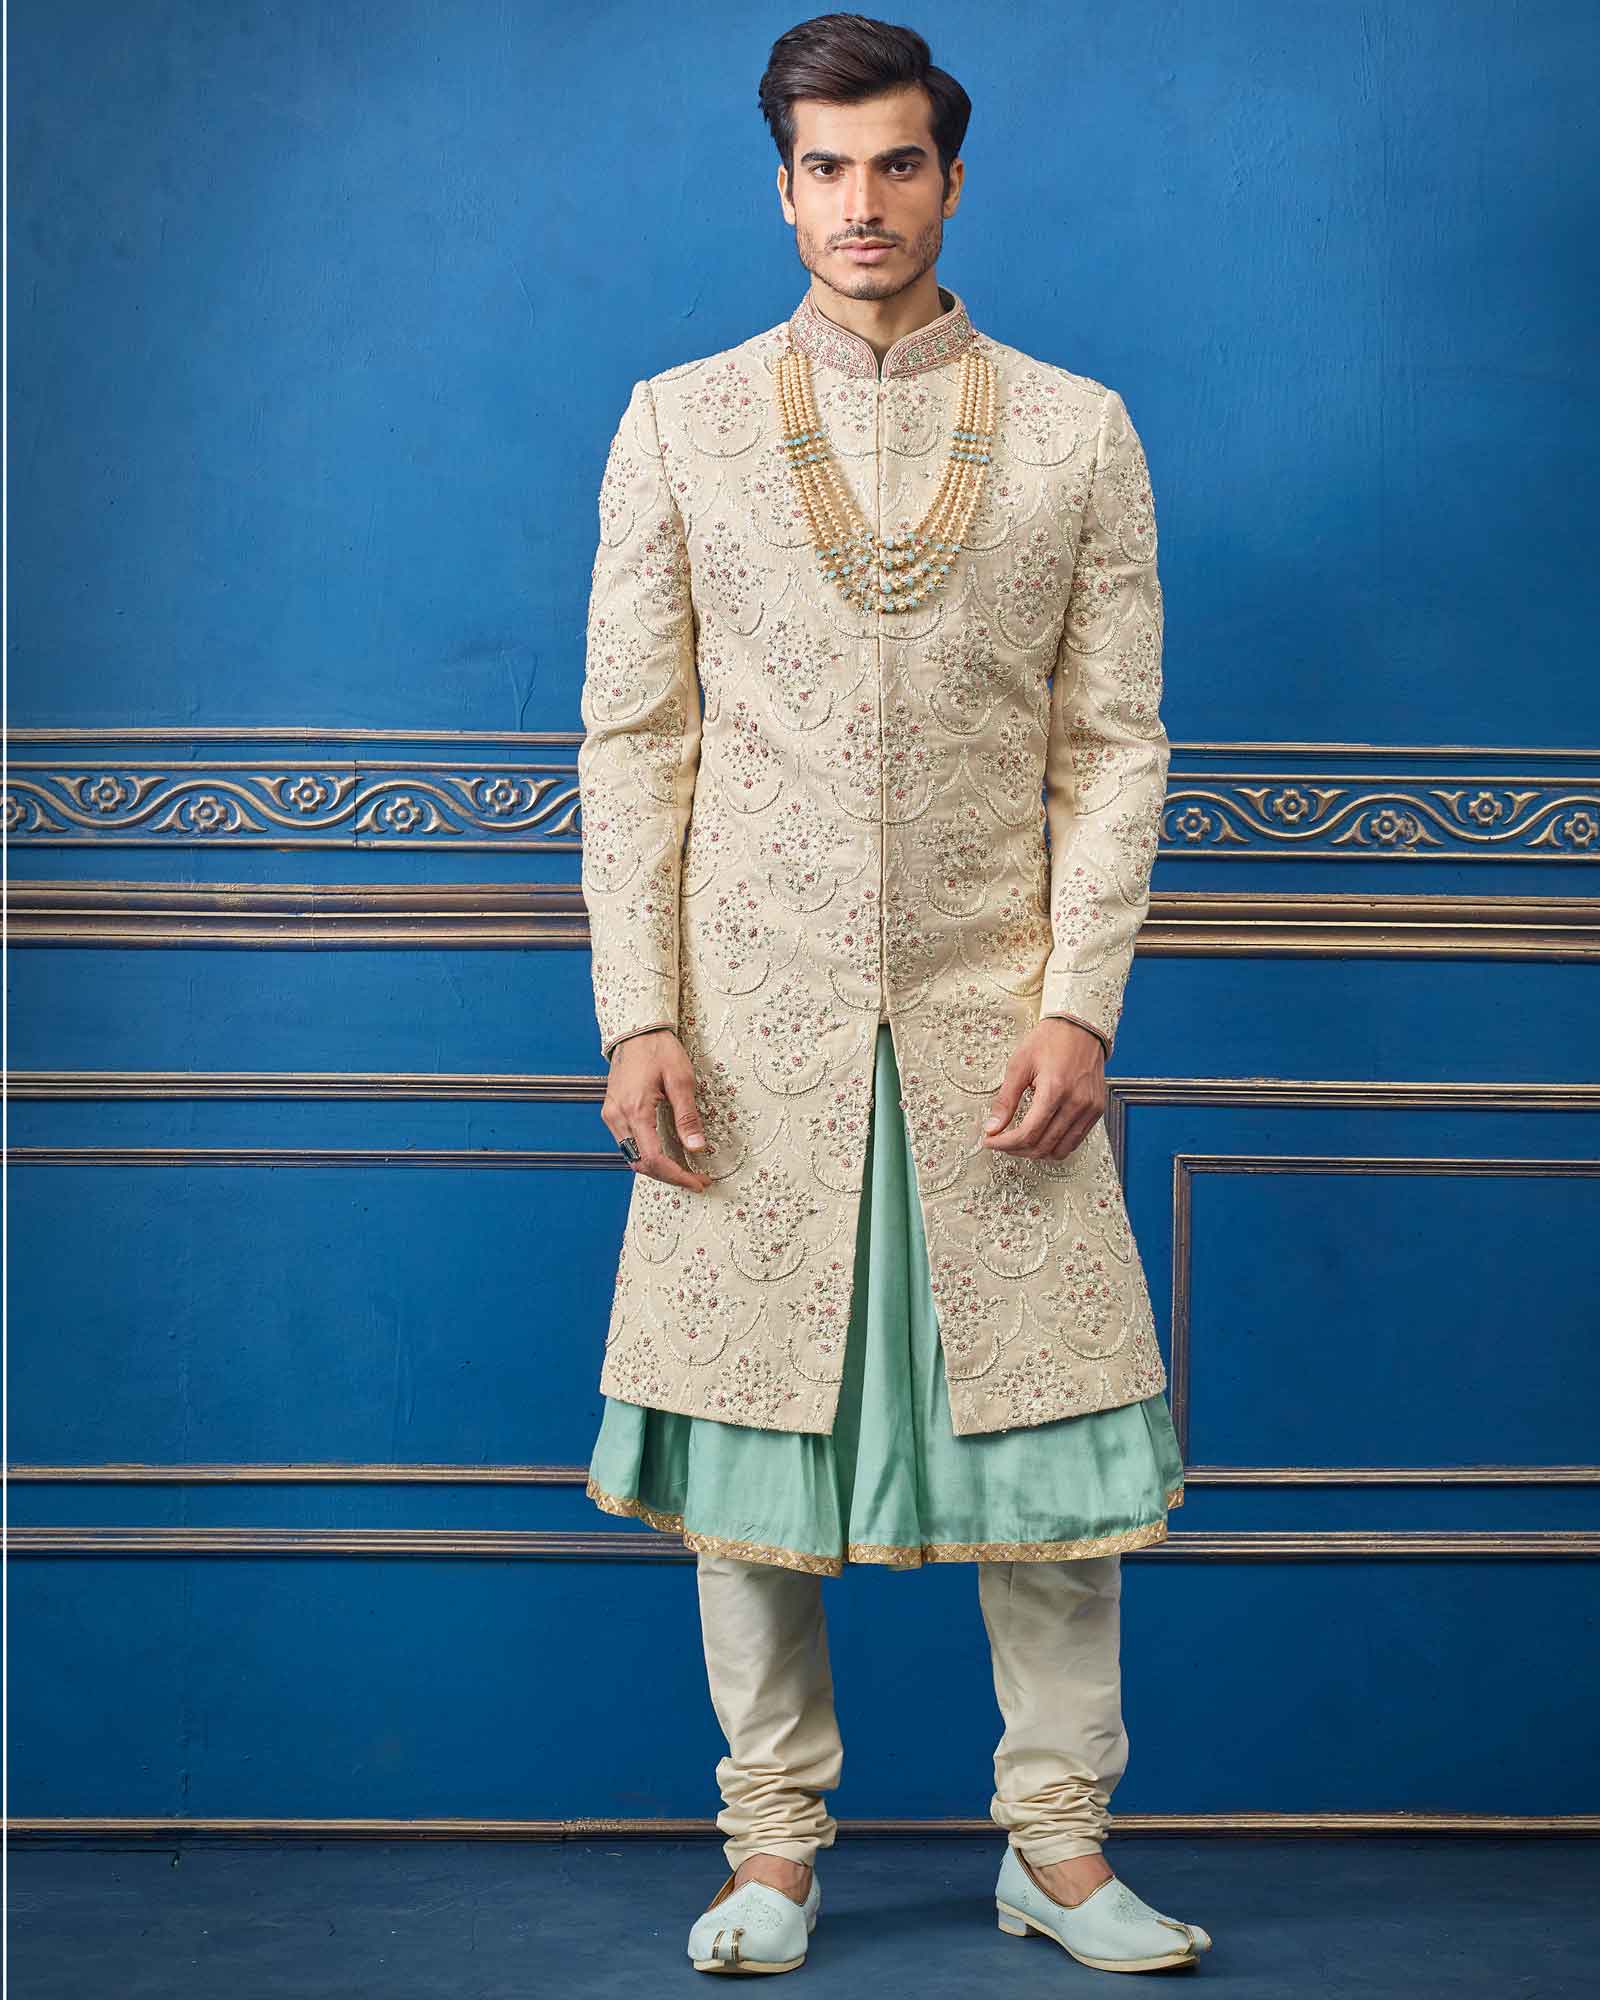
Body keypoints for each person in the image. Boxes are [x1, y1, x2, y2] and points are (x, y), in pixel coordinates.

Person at [576, 12, 1212, 1977]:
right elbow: (633, 743)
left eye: (897, 165)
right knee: (747, 1460)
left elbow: (1113, 745)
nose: (862, 204)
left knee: (1052, 1463)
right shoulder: (677, 421)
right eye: (825, 169)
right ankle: (768, 1853)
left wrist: (1080, 1006)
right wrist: (638, 1014)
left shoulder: (1077, 430)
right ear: (781, 188)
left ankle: (1059, 1850)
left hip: (994, 1024)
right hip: (746, 1029)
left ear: (950, 178)